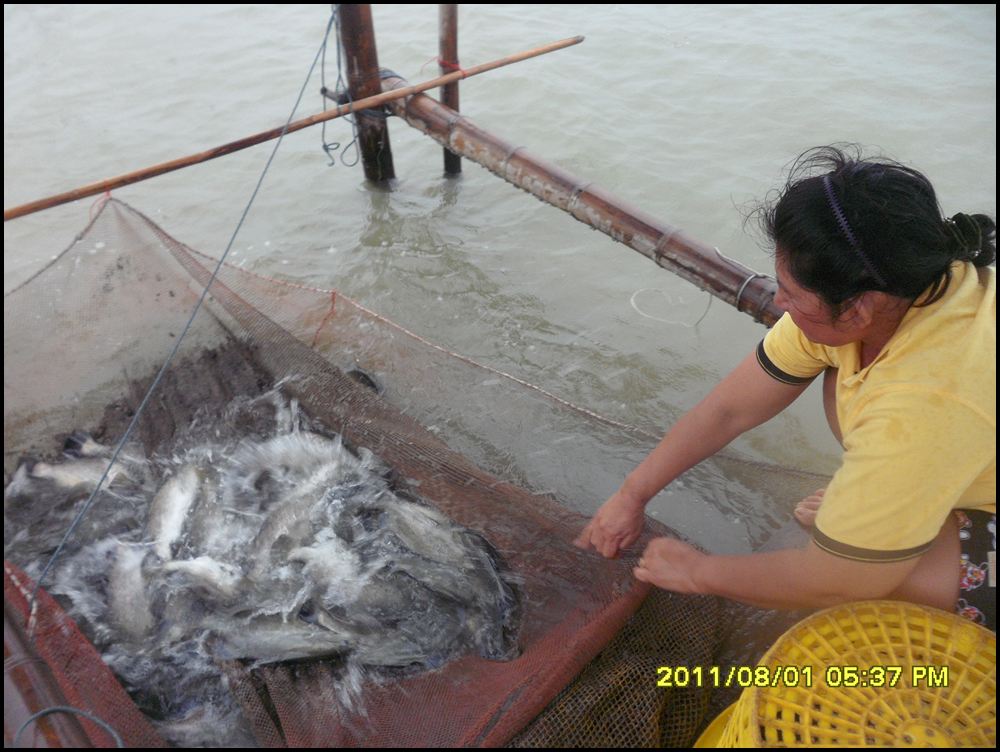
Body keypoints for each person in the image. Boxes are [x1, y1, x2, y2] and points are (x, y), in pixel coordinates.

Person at [574, 145, 996, 631]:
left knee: (890, 578)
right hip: (955, 446)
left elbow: (840, 580)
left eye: (791, 293)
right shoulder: (895, 292)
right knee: (837, 376)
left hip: (946, 440)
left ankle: (898, 512)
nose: (779, 302)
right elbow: (730, 410)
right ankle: (889, 503)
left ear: (858, 308)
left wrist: (700, 571)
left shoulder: (927, 400)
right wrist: (631, 494)